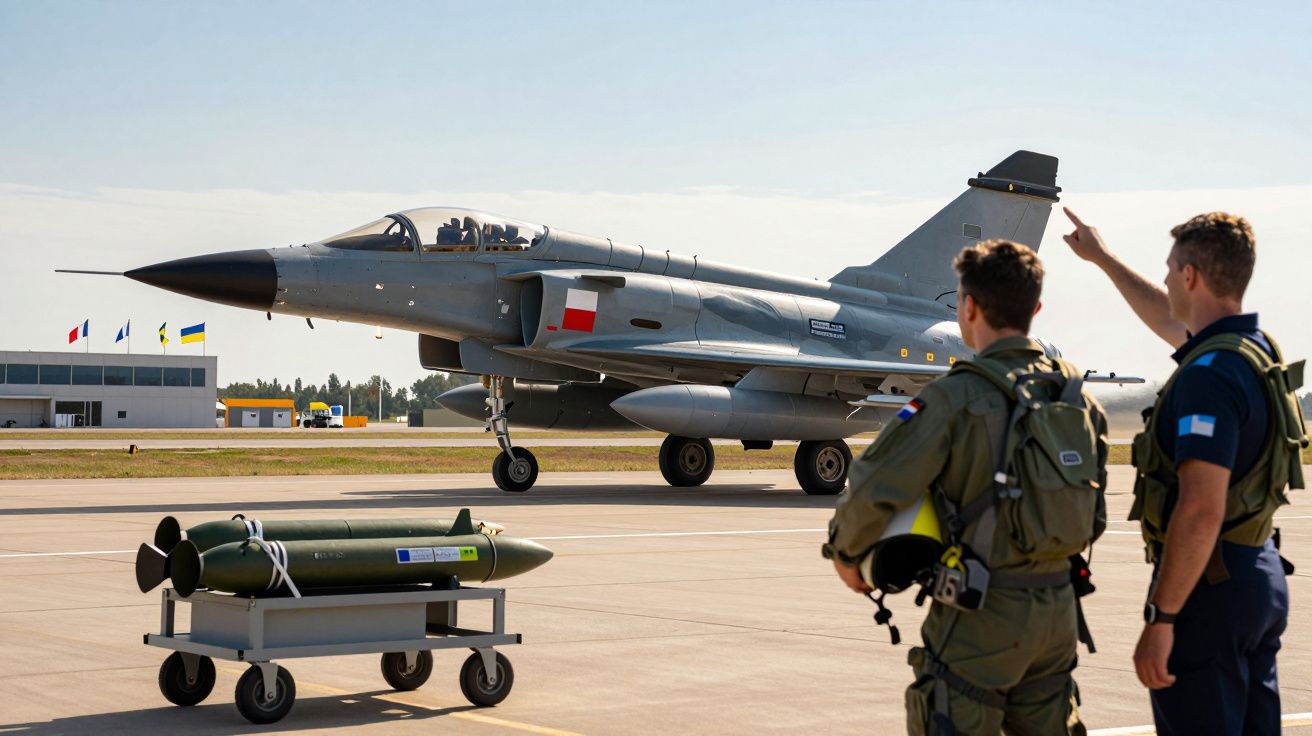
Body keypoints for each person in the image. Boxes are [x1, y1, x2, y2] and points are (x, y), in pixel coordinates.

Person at [824, 239, 1109, 735]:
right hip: (1058, 615)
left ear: (968, 306)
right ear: (1035, 309)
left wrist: (846, 555)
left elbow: (873, 485)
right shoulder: (1075, 399)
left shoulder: (954, 397)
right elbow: (1095, 512)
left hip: (980, 618)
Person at [1061, 208, 1306, 735]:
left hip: (1208, 589)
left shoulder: (1208, 377)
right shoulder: (1253, 353)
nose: (1167, 278)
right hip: (1257, 575)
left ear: (1190, 276)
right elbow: (1173, 321)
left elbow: (1200, 508)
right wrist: (1103, 258)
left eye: (1171, 269)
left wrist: (1162, 617)